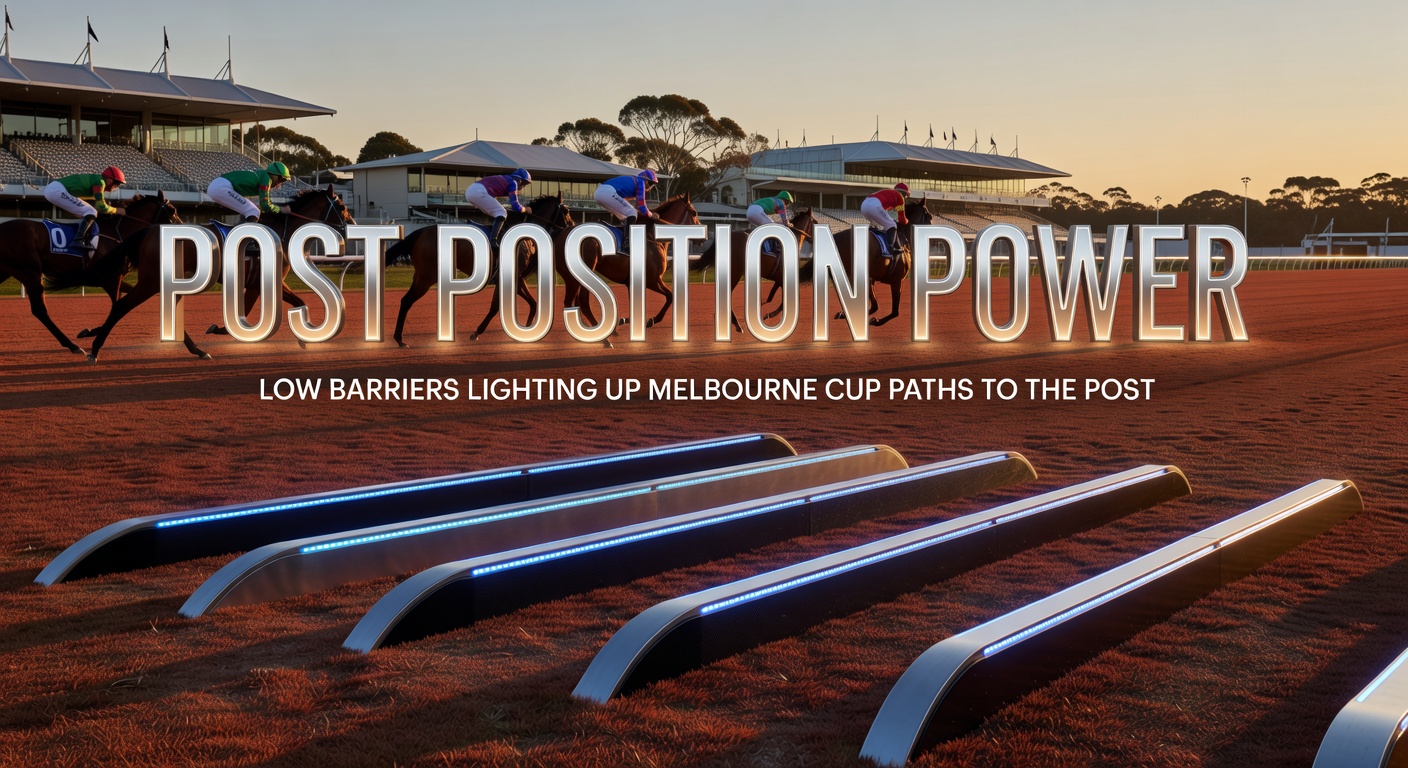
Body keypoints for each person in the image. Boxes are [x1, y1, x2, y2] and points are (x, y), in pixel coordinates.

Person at [43, 167, 124, 251]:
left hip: (54, 189)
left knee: (87, 213)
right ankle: (78, 240)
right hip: (56, 190)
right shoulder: (100, 182)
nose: (116, 187)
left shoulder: (98, 180)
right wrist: (116, 210)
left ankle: (79, 236)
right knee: (91, 211)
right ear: (110, 181)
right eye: (117, 184)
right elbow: (100, 207)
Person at [466, 168, 530, 248]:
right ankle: (493, 241)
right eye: (523, 183)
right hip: (478, 191)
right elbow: (516, 207)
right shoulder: (513, 182)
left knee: (497, 213)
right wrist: (526, 209)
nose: (522, 187)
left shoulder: (506, 179)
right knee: (502, 212)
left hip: (471, 191)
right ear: (519, 180)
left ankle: (487, 230)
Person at [208, 162, 291, 222]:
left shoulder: (261, 175)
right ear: (276, 177)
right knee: (253, 211)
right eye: (281, 181)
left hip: (218, 185)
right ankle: (248, 239)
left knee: (251, 209)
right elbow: (265, 206)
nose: (279, 185)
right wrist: (281, 209)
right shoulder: (266, 179)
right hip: (221, 187)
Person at [594, 170, 659, 231]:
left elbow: (624, 201)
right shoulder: (641, 182)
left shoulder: (634, 179)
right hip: (607, 192)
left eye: (652, 185)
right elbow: (641, 206)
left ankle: (618, 233)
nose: (650, 187)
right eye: (650, 183)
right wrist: (651, 215)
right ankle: (628, 238)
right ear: (645, 181)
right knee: (632, 212)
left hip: (599, 193)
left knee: (623, 215)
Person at [861, 183, 910, 255]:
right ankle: (891, 247)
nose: (905, 198)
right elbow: (901, 218)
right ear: (904, 194)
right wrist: (907, 221)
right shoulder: (900, 196)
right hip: (875, 206)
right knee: (892, 225)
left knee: (879, 227)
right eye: (905, 196)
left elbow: (888, 213)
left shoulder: (889, 193)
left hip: (864, 206)